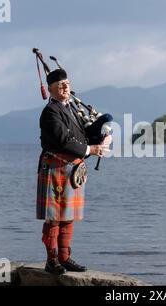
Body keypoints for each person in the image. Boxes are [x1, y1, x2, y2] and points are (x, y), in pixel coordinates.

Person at [36, 68, 109, 275]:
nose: (66, 87)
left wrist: (99, 134)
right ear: (50, 89)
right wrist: (90, 149)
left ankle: (64, 258)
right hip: (55, 166)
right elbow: (62, 140)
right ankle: (52, 261)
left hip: (71, 168)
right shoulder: (51, 111)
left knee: (68, 216)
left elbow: (81, 134)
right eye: (61, 85)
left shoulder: (68, 108)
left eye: (67, 84)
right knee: (54, 217)